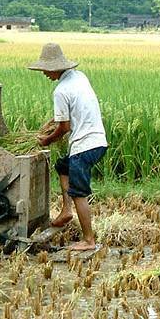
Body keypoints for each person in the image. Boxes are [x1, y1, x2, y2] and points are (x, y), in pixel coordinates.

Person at [28, 43, 108, 251]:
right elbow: (64, 115)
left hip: (85, 144)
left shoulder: (61, 90)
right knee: (63, 167)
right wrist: (47, 126)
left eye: (46, 69)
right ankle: (66, 210)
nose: (44, 73)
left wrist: (46, 140)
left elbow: (64, 127)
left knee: (78, 192)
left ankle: (88, 240)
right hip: (97, 140)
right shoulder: (78, 77)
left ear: (55, 68)